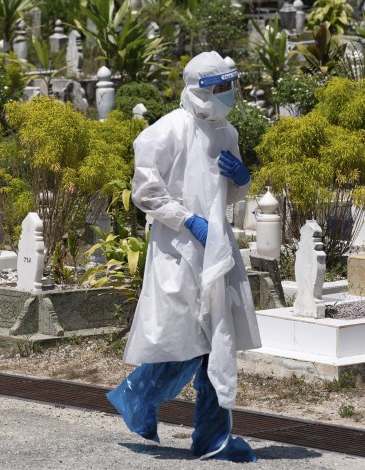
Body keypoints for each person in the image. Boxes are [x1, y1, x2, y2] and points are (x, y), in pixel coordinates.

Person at [107, 51, 261, 462]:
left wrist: (242, 181)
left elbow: (229, 192)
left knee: (216, 340)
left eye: (231, 87)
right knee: (185, 341)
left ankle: (212, 438)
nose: (227, 96)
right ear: (198, 90)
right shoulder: (168, 130)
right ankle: (136, 396)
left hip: (216, 248)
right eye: (219, 88)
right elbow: (146, 191)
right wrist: (187, 220)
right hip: (177, 249)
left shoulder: (226, 133)